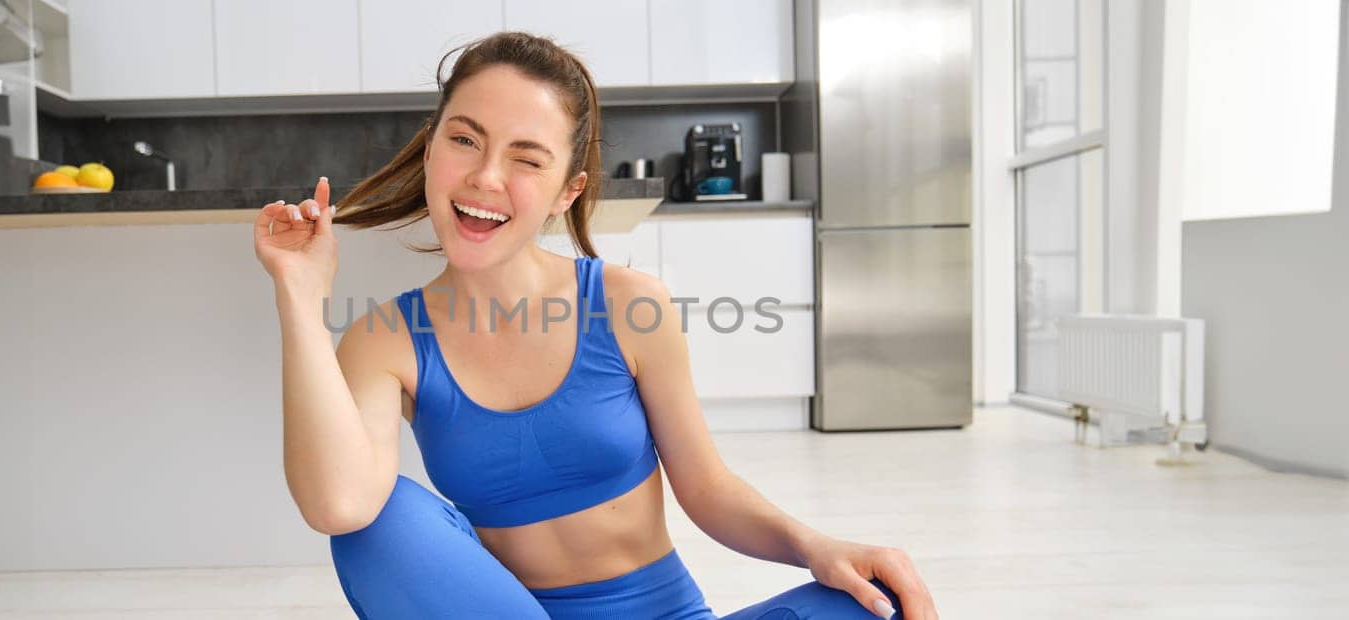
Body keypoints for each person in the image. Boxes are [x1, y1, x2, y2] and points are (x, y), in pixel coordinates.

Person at [252, 32, 938, 620]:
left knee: (874, 600)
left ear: (567, 190)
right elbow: (338, 502)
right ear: (432, 152)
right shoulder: (386, 339)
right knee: (376, 526)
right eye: (465, 140)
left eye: (526, 158)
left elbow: (708, 490)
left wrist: (813, 545)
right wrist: (300, 294)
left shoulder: (630, 305)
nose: (486, 176)